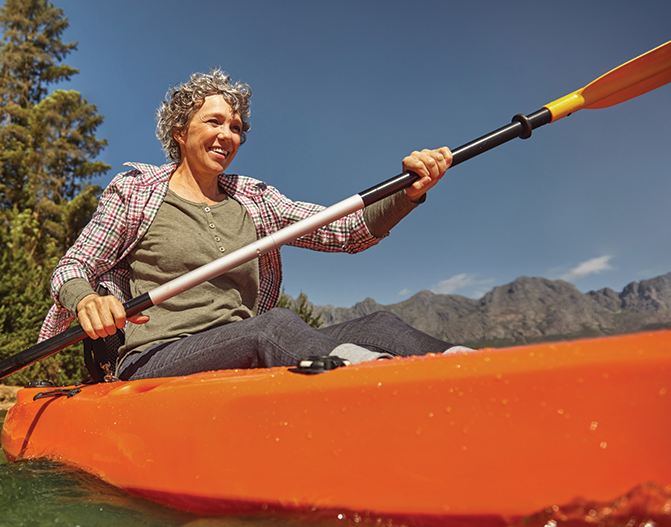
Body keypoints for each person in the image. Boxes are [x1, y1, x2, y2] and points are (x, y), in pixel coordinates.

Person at [39, 68, 468, 381]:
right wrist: (86, 301)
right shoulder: (135, 191)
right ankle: (372, 385)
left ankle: (479, 369)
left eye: (237, 127)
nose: (229, 135)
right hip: (155, 357)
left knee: (378, 325)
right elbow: (71, 268)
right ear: (178, 131)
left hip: (244, 344)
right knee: (274, 327)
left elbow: (347, 232)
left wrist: (408, 193)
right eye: (214, 122)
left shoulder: (255, 199)